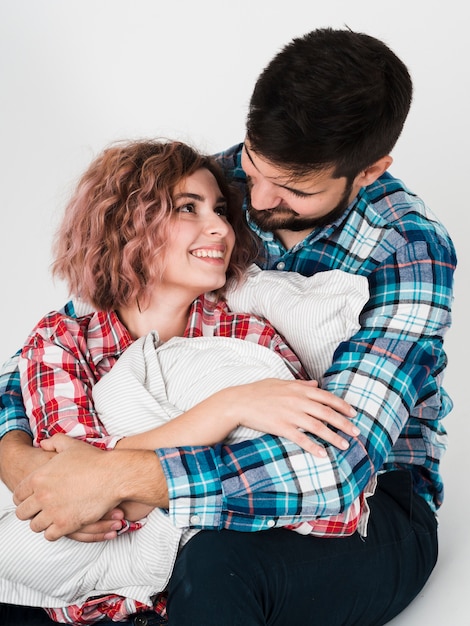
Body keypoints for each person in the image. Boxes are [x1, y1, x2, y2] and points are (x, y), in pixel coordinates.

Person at [0, 27, 457, 626]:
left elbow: (338, 467)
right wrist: (32, 470)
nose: (254, 198)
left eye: (295, 188)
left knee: (217, 568)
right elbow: (61, 346)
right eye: (252, 160)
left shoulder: (409, 247)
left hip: (368, 500)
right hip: (172, 487)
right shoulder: (208, 186)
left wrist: (110, 477)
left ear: (368, 171)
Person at [0, 138, 363, 624]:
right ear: (127, 225)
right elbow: (73, 488)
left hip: (198, 585)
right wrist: (224, 410)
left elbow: (287, 479)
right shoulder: (63, 338)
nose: (219, 227)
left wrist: (110, 478)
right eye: (187, 208)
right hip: (83, 595)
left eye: (219, 210)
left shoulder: (249, 332)